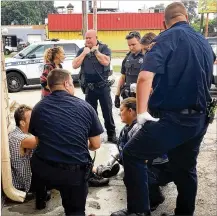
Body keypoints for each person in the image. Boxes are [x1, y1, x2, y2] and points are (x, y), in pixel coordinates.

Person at [111, 2, 215, 216]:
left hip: (173, 119)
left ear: (164, 22)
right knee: (185, 168)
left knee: (132, 154)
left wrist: (140, 114)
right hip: (199, 119)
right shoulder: (204, 42)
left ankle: (139, 211)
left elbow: (144, 77)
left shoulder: (165, 39)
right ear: (186, 17)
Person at [29, 68, 104, 216]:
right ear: (66, 83)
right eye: (72, 83)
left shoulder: (38, 107)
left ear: (50, 86)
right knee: (75, 210)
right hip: (73, 174)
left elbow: (38, 141)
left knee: (38, 159)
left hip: (44, 170)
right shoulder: (86, 107)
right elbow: (96, 145)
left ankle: (41, 197)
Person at [72, 29, 117, 143]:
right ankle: (94, 136)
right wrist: (84, 53)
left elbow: (106, 62)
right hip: (89, 87)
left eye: (89, 38)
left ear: (95, 38)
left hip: (103, 87)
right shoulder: (82, 50)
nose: (87, 40)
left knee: (107, 112)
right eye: (86, 38)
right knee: (90, 113)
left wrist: (96, 52)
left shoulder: (104, 48)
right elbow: (75, 65)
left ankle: (111, 135)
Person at [8, 105, 51, 205]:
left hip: (30, 178)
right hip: (25, 183)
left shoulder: (25, 134)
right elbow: (43, 140)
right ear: (22, 123)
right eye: (33, 118)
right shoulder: (17, 137)